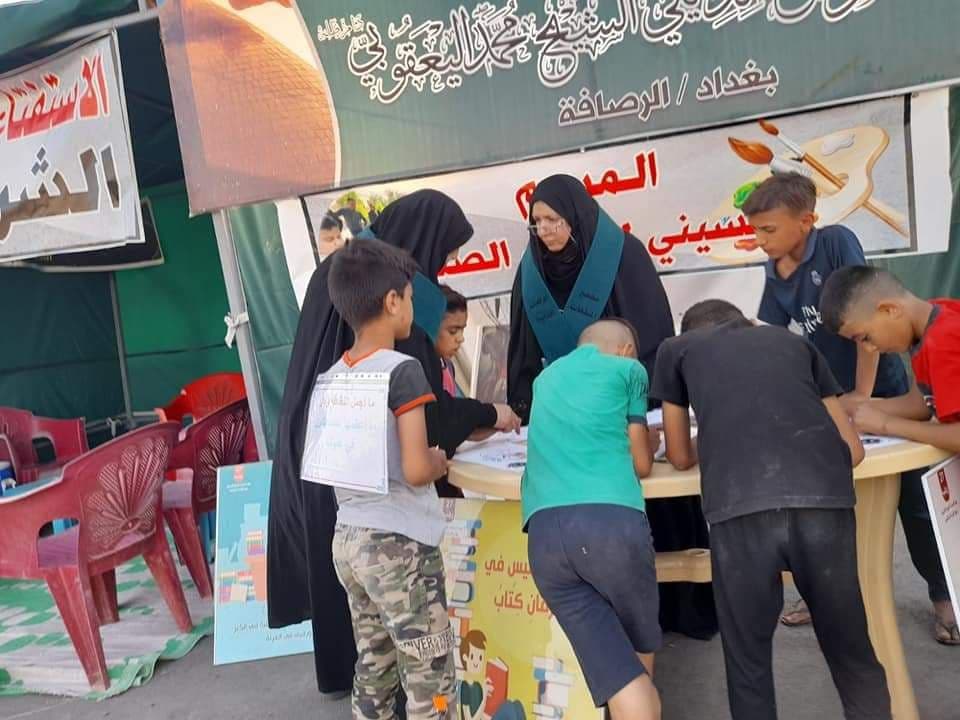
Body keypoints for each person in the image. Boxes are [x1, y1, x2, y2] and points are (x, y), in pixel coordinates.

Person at [267, 190, 520, 699]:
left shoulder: (339, 275)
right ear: (395, 299)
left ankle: (359, 690)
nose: (438, 270)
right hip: (389, 512)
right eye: (443, 254)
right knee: (425, 662)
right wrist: (478, 423)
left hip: (334, 476)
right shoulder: (400, 326)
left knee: (369, 650)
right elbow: (426, 431)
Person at [652, 299, 891, 720]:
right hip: (823, 503)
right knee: (853, 652)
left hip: (740, 508)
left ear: (690, 334)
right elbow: (852, 451)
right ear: (747, 322)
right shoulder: (794, 343)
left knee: (748, 664)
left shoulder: (676, 349)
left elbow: (679, 455)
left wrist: (719, 432)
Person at [508, 173, 716, 640]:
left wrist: (625, 399)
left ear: (576, 217)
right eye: (537, 222)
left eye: (554, 220)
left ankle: (678, 611)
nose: (545, 231)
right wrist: (526, 405)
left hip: (626, 409)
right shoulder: (531, 271)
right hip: (567, 419)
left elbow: (652, 336)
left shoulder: (623, 255)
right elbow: (523, 346)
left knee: (657, 502)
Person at [742, 173, 951, 634]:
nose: (760, 240)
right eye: (755, 231)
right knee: (827, 501)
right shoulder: (772, 270)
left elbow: (864, 319)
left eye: (768, 229)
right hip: (833, 402)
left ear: (806, 221)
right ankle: (822, 592)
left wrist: (863, 396)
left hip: (882, 393)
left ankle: (943, 593)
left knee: (914, 500)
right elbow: (778, 339)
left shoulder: (836, 243)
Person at [320, 238, 455, 718]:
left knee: (374, 663)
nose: (412, 309)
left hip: (349, 540)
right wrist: (439, 461)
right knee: (430, 674)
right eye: (412, 298)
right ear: (393, 301)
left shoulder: (332, 376)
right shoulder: (402, 371)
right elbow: (416, 469)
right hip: (400, 545)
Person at [524, 319, 662, 720]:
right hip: (611, 526)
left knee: (615, 671)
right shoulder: (629, 370)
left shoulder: (545, 379)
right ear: (626, 350)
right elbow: (641, 463)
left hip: (545, 538)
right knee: (637, 666)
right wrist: (649, 442)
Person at [820, 264, 960, 644]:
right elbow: (923, 402)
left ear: (889, 309)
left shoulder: (944, 340)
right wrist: (864, 410)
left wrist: (886, 425)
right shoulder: (931, 322)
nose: (869, 349)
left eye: (865, 337)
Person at [437, 285, 468, 397]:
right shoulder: (420, 373)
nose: (461, 338)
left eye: (462, 330)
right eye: (453, 331)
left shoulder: (449, 366)